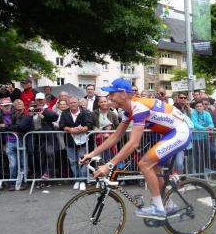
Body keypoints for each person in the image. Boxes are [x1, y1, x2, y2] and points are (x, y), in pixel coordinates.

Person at [81, 78, 192, 220]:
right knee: (153, 170)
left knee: (144, 164)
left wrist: (109, 165)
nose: (108, 98)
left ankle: (158, 208)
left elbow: (133, 143)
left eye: (111, 94)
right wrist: (92, 153)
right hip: (169, 133)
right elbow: (116, 136)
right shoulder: (129, 111)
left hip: (180, 132)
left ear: (122, 94)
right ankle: (168, 204)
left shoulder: (139, 107)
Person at [60, 96, 94, 191]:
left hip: (82, 141)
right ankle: (77, 180)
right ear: (68, 104)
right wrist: (70, 129)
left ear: (78, 103)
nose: (73, 104)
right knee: (72, 162)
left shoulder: (85, 112)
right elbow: (61, 125)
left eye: (74, 102)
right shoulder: (65, 113)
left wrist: (83, 129)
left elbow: (90, 124)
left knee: (82, 161)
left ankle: (82, 180)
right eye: (71, 103)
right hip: (70, 141)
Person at [92, 96, 119, 162]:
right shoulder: (93, 113)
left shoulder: (113, 114)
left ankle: (111, 172)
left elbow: (118, 127)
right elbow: (90, 124)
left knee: (110, 158)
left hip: (110, 140)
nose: (104, 103)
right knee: (100, 159)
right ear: (98, 103)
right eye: (101, 102)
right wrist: (94, 128)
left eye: (105, 101)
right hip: (98, 141)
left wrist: (111, 129)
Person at [191, 100, 214, 176]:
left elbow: (211, 123)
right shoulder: (193, 114)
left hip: (205, 137)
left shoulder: (207, 113)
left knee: (210, 153)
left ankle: (205, 170)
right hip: (196, 139)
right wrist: (205, 129)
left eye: (200, 106)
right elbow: (195, 124)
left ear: (203, 107)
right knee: (198, 157)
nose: (199, 107)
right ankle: (199, 174)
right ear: (195, 107)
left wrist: (210, 127)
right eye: (197, 106)